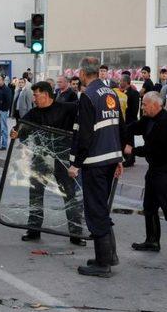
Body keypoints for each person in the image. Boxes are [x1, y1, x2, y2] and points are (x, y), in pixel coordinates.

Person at [68, 57, 125, 277]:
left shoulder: (88, 96)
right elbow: (119, 125)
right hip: (110, 158)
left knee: (95, 210)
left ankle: (103, 264)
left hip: (95, 161)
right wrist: (119, 157)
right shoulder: (110, 92)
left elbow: (84, 134)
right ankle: (108, 255)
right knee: (101, 206)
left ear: (83, 73)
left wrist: (75, 163)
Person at [10, 81, 84, 245]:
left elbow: (85, 107)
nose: (34, 99)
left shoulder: (66, 108)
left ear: (45, 94)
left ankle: (76, 233)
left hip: (63, 160)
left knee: (70, 195)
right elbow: (20, 127)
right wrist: (15, 132)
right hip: (41, 158)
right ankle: (34, 230)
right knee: (35, 193)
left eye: (36, 95)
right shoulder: (33, 113)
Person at [125, 92, 167, 256]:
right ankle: (152, 240)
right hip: (155, 167)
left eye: (145, 104)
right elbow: (135, 127)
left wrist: (132, 150)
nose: (143, 107)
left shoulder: (166, 122)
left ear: (155, 105)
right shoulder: (149, 118)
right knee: (149, 205)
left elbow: (153, 148)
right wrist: (116, 129)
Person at [120, 71, 140, 167]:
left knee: (130, 141)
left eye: (121, 81)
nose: (120, 82)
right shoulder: (122, 92)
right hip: (124, 121)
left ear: (126, 82)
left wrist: (131, 121)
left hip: (130, 121)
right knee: (125, 140)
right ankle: (127, 158)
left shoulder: (134, 93)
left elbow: (134, 109)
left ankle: (130, 159)